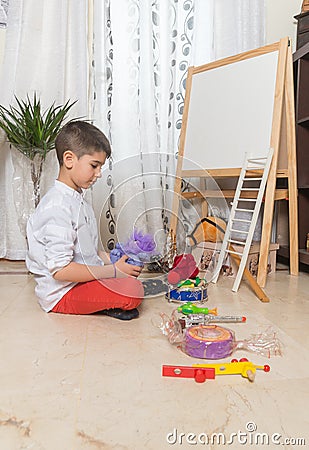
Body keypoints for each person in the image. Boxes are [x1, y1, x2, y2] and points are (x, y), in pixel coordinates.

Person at [26, 121, 144, 320]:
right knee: (133, 290)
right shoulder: (57, 207)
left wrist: (114, 259)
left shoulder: (78, 200)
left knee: (131, 278)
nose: (98, 174)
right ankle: (108, 301)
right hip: (63, 292)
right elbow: (61, 270)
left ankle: (108, 298)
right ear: (69, 159)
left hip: (81, 281)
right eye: (94, 165)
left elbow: (85, 251)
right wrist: (114, 271)